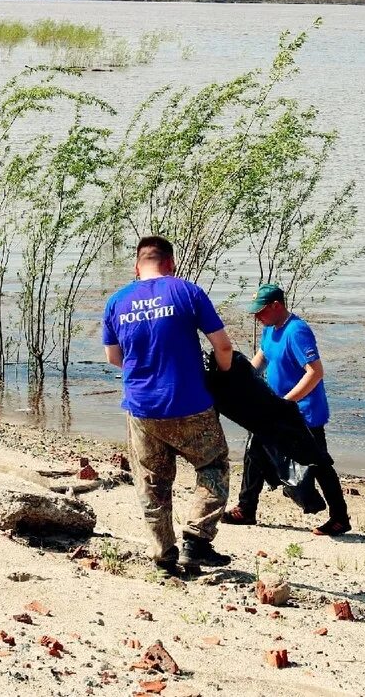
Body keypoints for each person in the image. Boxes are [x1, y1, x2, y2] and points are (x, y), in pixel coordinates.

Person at [103, 235, 236, 576]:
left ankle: (163, 557)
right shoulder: (186, 291)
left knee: (152, 483)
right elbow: (222, 345)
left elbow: (114, 357)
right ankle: (196, 539)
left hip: (142, 409)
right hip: (190, 402)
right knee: (213, 465)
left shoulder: (117, 301)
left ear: (137, 266)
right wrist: (224, 375)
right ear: (171, 264)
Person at [222, 283, 351, 536]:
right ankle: (246, 508)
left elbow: (315, 372)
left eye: (260, 311)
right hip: (275, 408)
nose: (256, 317)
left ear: (276, 306)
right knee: (254, 452)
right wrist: (241, 380)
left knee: (318, 464)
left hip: (303, 412)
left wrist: (286, 403)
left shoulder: (297, 331)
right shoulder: (270, 329)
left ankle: (340, 517)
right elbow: (261, 358)